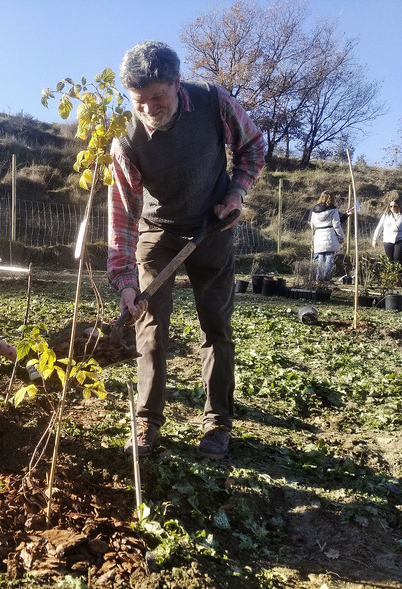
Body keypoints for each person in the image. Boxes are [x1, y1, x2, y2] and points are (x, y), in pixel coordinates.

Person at [108, 41, 265, 460]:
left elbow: (253, 147)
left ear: (177, 84)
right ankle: (146, 420)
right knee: (151, 327)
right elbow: (122, 213)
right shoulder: (125, 139)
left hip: (214, 225)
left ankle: (216, 421)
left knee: (215, 325)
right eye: (138, 101)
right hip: (159, 233)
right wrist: (125, 280)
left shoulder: (215, 103)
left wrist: (236, 193)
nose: (147, 109)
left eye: (157, 97)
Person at [309, 191, 345, 285]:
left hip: (318, 234)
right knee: (329, 258)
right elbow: (336, 225)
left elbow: (312, 224)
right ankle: (326, 279)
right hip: (330, 234)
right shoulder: (333, 210)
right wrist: (341, 237)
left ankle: (318, 279)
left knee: (320, 258)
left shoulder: (314, 210)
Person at [372, 198, 402, 266]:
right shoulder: (385, 216)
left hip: (401, 240)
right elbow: (379, 227)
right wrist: (374, 239)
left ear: (398, 206)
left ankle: (400, 274)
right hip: (388, 240)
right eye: (391, 206)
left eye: (395, 206)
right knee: (390, 260)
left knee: (397, 258)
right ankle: (391, 274)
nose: (393, 208)